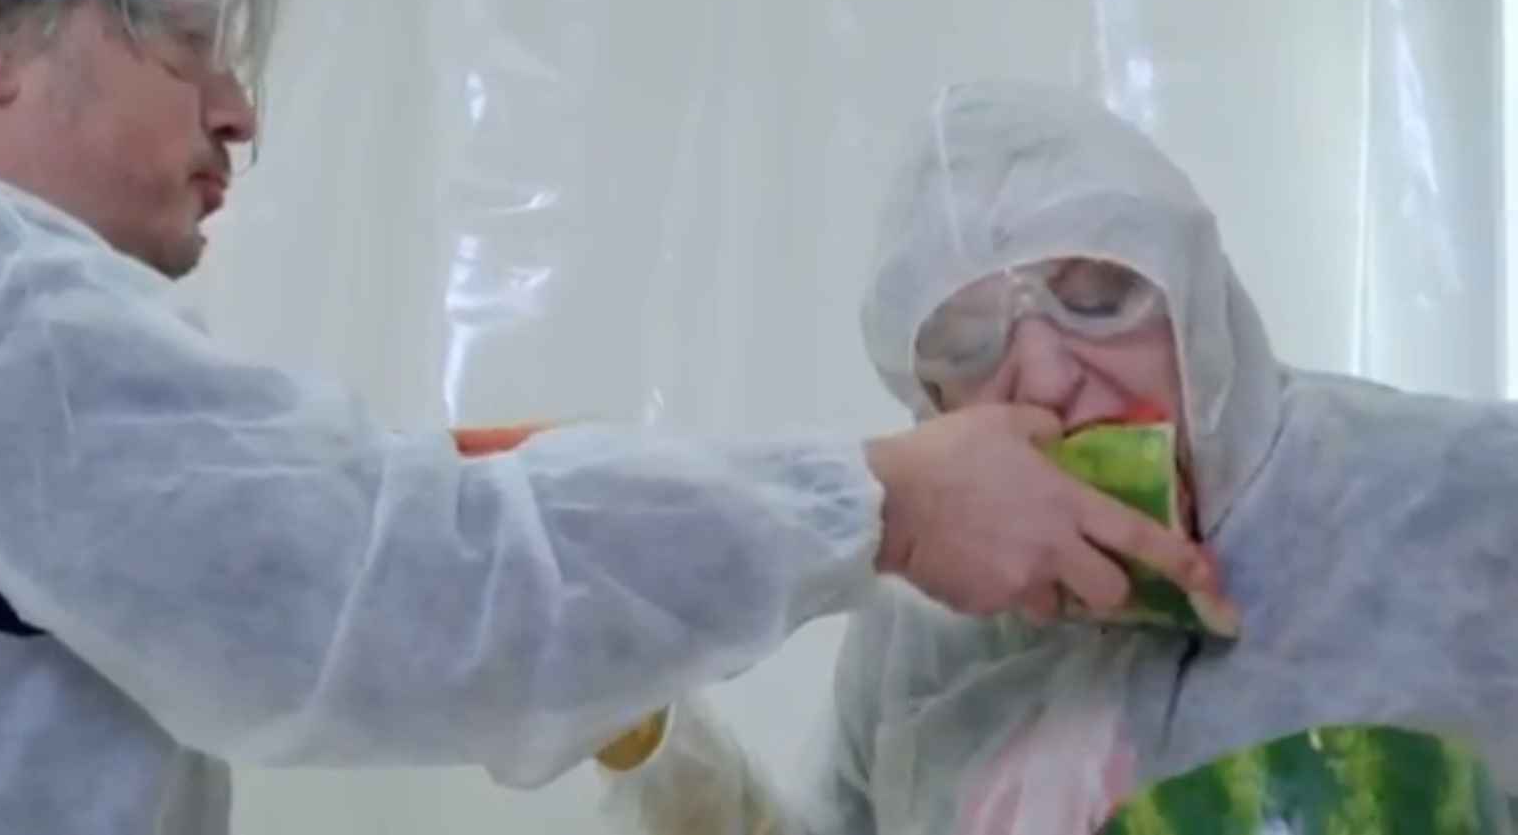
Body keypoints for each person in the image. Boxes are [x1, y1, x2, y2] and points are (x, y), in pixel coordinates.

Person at [0, 0, 1219, 833]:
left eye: (1100, 294)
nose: (237, 111)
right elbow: (382, 591)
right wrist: (886, 502)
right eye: (186, 25)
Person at [594, 80, 1518, 835]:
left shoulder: (1462, 495)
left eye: (1100, 295)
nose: (1044, 378)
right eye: (967, 343)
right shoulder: (917, 629)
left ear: (1195, 302)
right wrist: (655, 745)